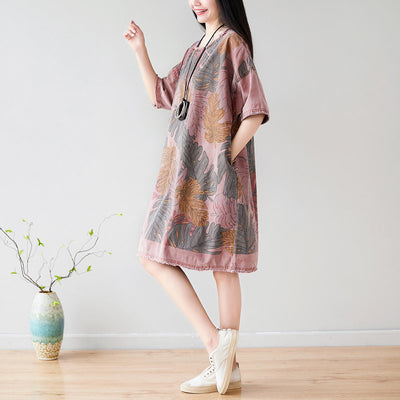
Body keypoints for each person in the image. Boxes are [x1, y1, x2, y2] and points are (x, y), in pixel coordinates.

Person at [124, 0, 270, 394]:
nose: (196, 1)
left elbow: (255, 112)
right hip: (182, 173)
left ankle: (225, 363)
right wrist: (140, 49)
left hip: (217, 177)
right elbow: (160, 94)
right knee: (152, 255)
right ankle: (220, 351)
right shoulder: (195, 50)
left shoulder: (232, 43)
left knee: (224, 264)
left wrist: (224, 158)